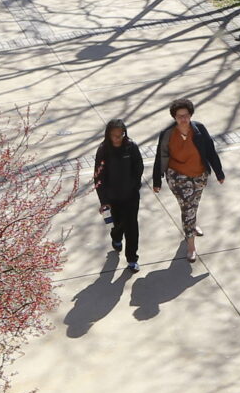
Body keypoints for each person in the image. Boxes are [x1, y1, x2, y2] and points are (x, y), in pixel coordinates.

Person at [152, 99, 224, 260]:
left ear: (191, 115)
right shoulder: (168, 134)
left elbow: (210, 151)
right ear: (174, 117)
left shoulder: (199, 130)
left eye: (186, 115)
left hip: (199, 174)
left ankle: (190, 225)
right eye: (179, 116)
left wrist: (219, 173)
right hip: (177, 176)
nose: (183, 119)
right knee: (187, 207)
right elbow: (160, 156)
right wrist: (157, 180)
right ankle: (191, 246)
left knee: (192, 205)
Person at [91, 118, 144, 272]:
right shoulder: (103, 151)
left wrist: (134, 185)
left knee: (132, 226)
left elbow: (138, 167)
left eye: (120, 135)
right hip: (112, 197)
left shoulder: (131, 147)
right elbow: (98, 177)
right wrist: (104, 200)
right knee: (117, 223)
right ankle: (116, 237)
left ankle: (132, 259)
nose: (117, 138)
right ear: (108, 135)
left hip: (130, 196)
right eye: (114, 135)